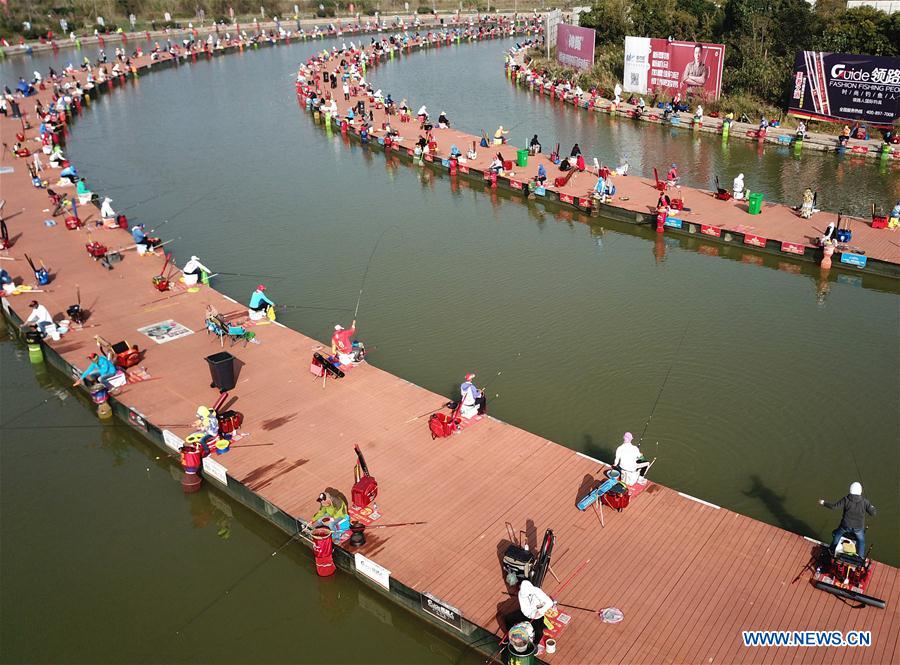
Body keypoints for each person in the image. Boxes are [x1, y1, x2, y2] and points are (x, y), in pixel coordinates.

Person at [819, 482, 876, 556]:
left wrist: (823, 502)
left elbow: (834, 507)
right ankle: (859, 558)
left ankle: (832, 550)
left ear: (850, 490)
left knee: (837, 535)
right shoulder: (865, 502)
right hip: (858, 528)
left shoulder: (846, 499)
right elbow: (873, 513)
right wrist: (872, 507)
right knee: (861, 542)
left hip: (845, 526)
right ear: (860, 491)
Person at [503, 579, 555, 645]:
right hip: (526, 614)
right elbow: (525, 609)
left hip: (538, 617)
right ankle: (509, 635)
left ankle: (535, 645)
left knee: (539, 632)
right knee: (508, 618)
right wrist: (533, 613)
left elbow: (549, 603)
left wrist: (540, 611)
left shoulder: (537, 591)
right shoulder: (521, 594)